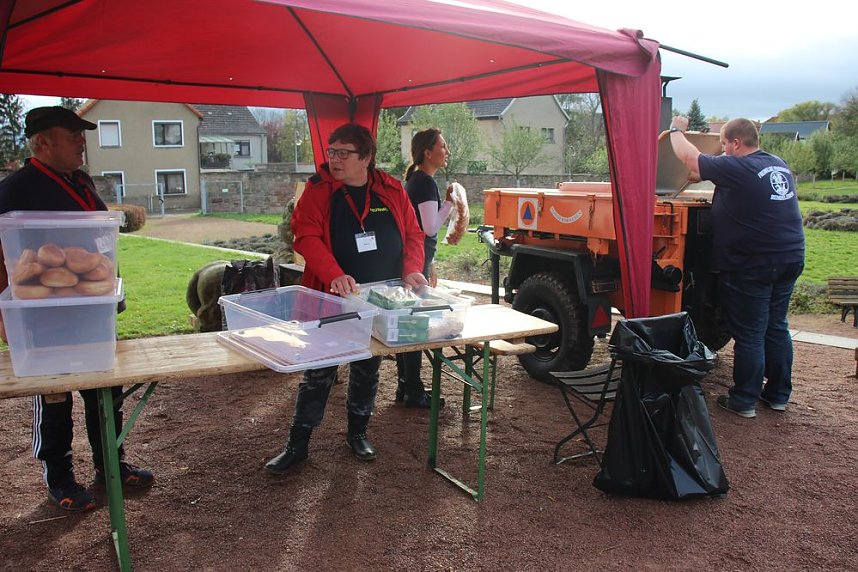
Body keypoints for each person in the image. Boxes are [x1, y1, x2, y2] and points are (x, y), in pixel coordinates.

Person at [0, 106, 153, 512]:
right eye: (71, 135)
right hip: (45, 317)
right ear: (42, 142)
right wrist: (4, 312)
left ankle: (110, 465)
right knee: (53, 397)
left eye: (81, 134)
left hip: (92, 310)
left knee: (105, 390)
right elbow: (5, 255)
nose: (81, 141)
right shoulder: (17, 188)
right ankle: (60, 477)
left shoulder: (81, 181)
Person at [265, 123, 426, 475]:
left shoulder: (391, 189)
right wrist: (333, 273)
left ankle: (358, 433)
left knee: (367, 367)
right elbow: (305, 235)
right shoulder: (319, 190)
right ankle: (298, 444)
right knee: (319, 370)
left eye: (343, 153)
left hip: (380, 299)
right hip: (331, 297)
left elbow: (413, 234)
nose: (334, 159)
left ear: (366, 157)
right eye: (331, 151)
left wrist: (413, 269)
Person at [668, 116, 805, 419]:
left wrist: (675, 129)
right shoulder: (776, 164)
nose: (724, 152)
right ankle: (778, 395)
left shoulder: (740, 166)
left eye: (724, 146)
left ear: (736, 143)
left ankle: (743, 400)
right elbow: (737, 185)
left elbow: (690, 157)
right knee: (776, 327)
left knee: (750, 333)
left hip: (752, 263)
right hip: (789, 257)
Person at [394, 128, 453, 408]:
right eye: (442, 146)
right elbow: (429, 227)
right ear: (427, 152)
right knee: (413, 324)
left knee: (407, 322)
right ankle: (413, 390)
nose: (447, 151)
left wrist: (431, 263)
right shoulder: (425, 183)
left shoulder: (416, 180)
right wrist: (453, 202)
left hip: (416, 259)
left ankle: (406, 386)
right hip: (414, 261)